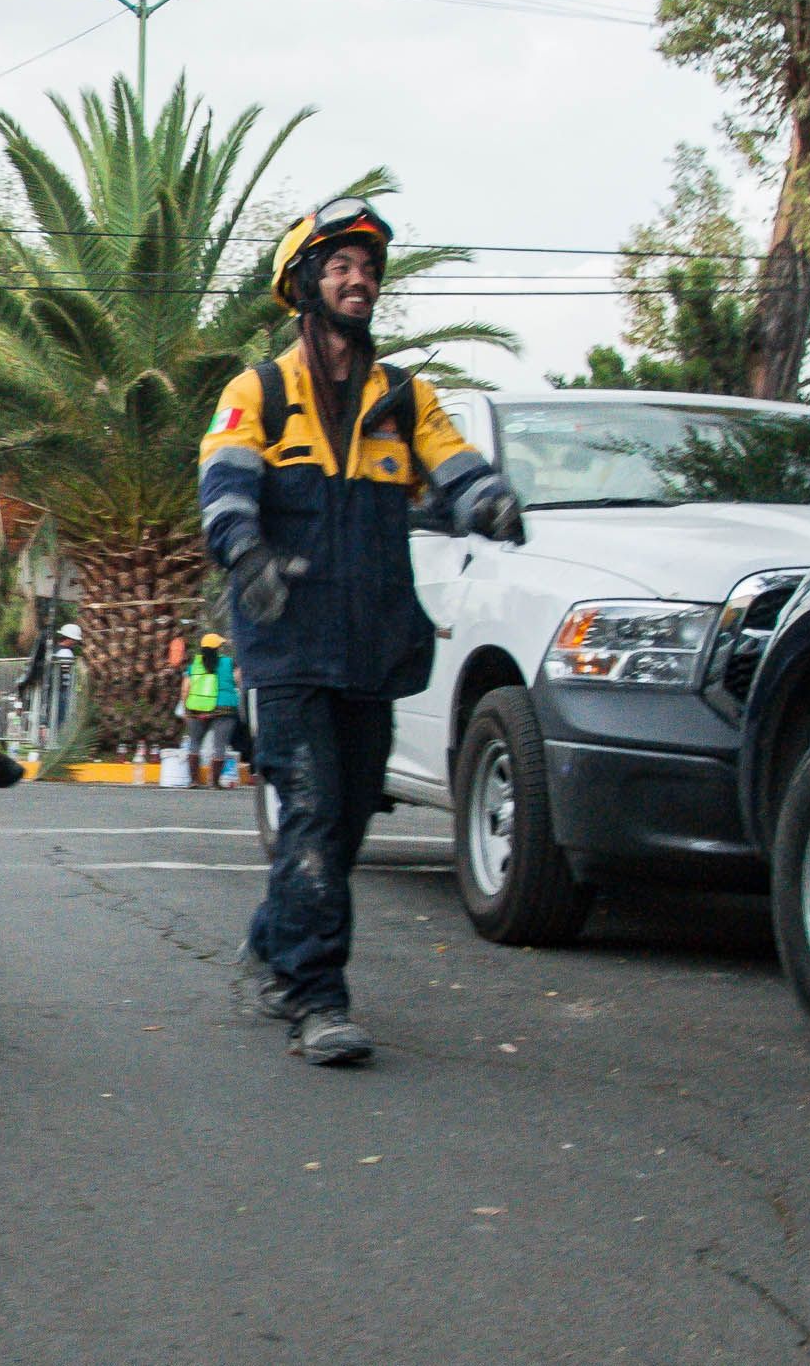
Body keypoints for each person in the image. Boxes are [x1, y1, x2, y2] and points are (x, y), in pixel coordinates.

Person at [198, 197, 523, 1068]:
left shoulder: (404, 398)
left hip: (373, 643)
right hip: (291, 645)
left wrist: (486, 498)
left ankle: (276, 942)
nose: (358, 279)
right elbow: (225, 487)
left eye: (368, 268)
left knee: (341, 827)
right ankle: (317, 998)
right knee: (308, 813)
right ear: (305, 283)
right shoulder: (256, 393)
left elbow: (454, 465)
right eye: (340, 266)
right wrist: (246, 552)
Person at [182, 634, 238, 788]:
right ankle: (214, 783)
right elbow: (238, 680)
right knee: (219, 746)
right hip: (224, 708)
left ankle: (194, 780)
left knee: (194, 743)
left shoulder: (194, 666)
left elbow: (185, 688)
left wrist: (186, 709)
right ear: (218, 648)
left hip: (196, 708)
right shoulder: (228, 662)